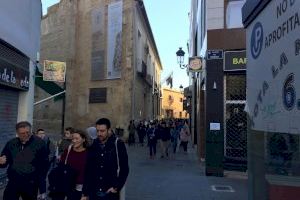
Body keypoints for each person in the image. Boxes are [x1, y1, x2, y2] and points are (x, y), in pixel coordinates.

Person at [82, 118, 129, 200]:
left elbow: (124, 169)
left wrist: (116, 187)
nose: (99, 134)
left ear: (109, 130)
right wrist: (85, 193)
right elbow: (88, 170)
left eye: (102, 131)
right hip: (94, 193)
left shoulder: (118, 145)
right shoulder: (93, 145)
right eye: (97, 131)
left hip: (109, 193)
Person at [0, 121, 48, 200]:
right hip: (13, 182)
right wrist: (1, 162)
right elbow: (4, 162)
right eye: (22, 133)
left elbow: (43, 167)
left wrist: (42, 188)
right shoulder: (11, 143)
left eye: (27, 132)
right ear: (17, 133)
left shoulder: (40, 144)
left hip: (31, 184)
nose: (26, 135)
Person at [51, 129, 89, 200]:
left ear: (83, 139)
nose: (74, 141)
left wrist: (86, 193)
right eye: (73, 138)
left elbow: (90, 173)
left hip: (81, 189)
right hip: (68, 187)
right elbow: (61, 166)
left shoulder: (88, 153)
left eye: (77, 138)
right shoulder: (68, 150)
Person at [35, 128, 56, 200]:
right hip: (36, 164)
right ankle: (40, 193)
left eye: (43, 133)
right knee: (38, 178)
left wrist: (46, 160)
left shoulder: (49, 142)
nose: (42, 135)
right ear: (37, 134)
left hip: (45, 163)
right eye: (40, 133)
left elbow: (52, 153)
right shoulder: (34, 142)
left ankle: (43, 193)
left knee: (42, 178)